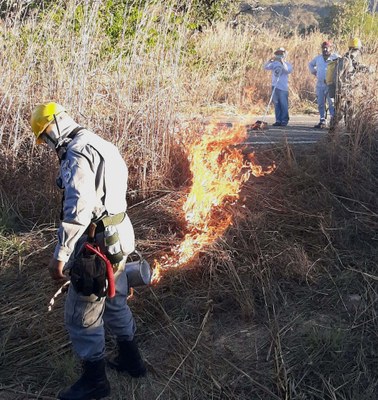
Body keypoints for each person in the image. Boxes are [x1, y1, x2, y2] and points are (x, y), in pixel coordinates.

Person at [30, 102, 146, 400]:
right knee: (116, 299)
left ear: (54, 127)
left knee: (82, 314)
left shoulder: (76, 153)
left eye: (45, 137)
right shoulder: (102, 144)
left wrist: (61, 254)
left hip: (97, 247)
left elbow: (78, 209)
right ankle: (132, 361)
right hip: (120, 236)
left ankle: (95, 382)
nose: (47, 144)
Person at [326, 37, 371, 131]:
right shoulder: (345, 60)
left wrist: (369, 69)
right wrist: (342, 90)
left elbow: (358, 67)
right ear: (357, 49)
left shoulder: (352, 60)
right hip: (343, 93)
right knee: (339, 114)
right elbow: (336, 77)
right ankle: (331, 135)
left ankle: (349, 136)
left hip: (350, 92)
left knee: (350, 113)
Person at [308, 41, 339, 128]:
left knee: (331, 103)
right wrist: (315, 72)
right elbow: (310, 64)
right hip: (320, 84)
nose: (325, 49)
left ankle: (333, 121)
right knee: (321, 103)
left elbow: (342, 65)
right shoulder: (318, 58)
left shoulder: (335, 57)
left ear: (331, 48)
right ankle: (322, 120)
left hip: (330, 84)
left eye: (327, 47)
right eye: (323, 48)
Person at [264, 47, 293, 127]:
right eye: (278, 53)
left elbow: (287, 70)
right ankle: (278, 120)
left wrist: (282, 62)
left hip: (283, 87)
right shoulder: (274, 64)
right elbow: (265, 67)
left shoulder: (287, 64)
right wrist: (270, 60)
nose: (279, 55)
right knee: (276, 104)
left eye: (281, 53)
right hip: (274, 86)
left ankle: (284, 120)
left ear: (284, 54)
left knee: (283, 104)